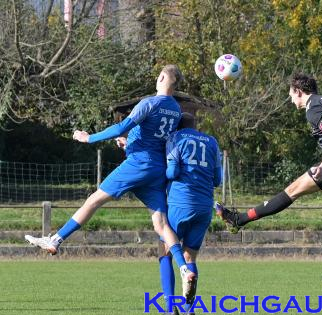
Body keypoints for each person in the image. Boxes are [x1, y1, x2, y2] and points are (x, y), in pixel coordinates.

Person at [25, 65, 196, 301]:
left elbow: (121, 126)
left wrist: (89, 138)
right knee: (161, 223)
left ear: (162, 78)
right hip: (156, 169)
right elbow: (154, 136)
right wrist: (128, 143)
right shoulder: (176, 110)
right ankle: (184, 266)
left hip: (138, 164)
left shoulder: (150, 102)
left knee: (93, 200)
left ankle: (55, 240)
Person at [215, 72, 322, 285]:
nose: (290, 99)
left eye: (291, 94)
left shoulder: (313, 108)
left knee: (292, 191)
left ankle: (239, 220)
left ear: (299, 92)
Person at [158, 112, 222, 315]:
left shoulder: (175, 139)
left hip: (180, 203)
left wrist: (163, 172)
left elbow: (173, 171)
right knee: (189, 256)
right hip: (204, 207)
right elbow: (217, 179)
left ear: (177, 126)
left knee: (165, 251)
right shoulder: (212, 142)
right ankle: (188, 311)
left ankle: (170, 309)